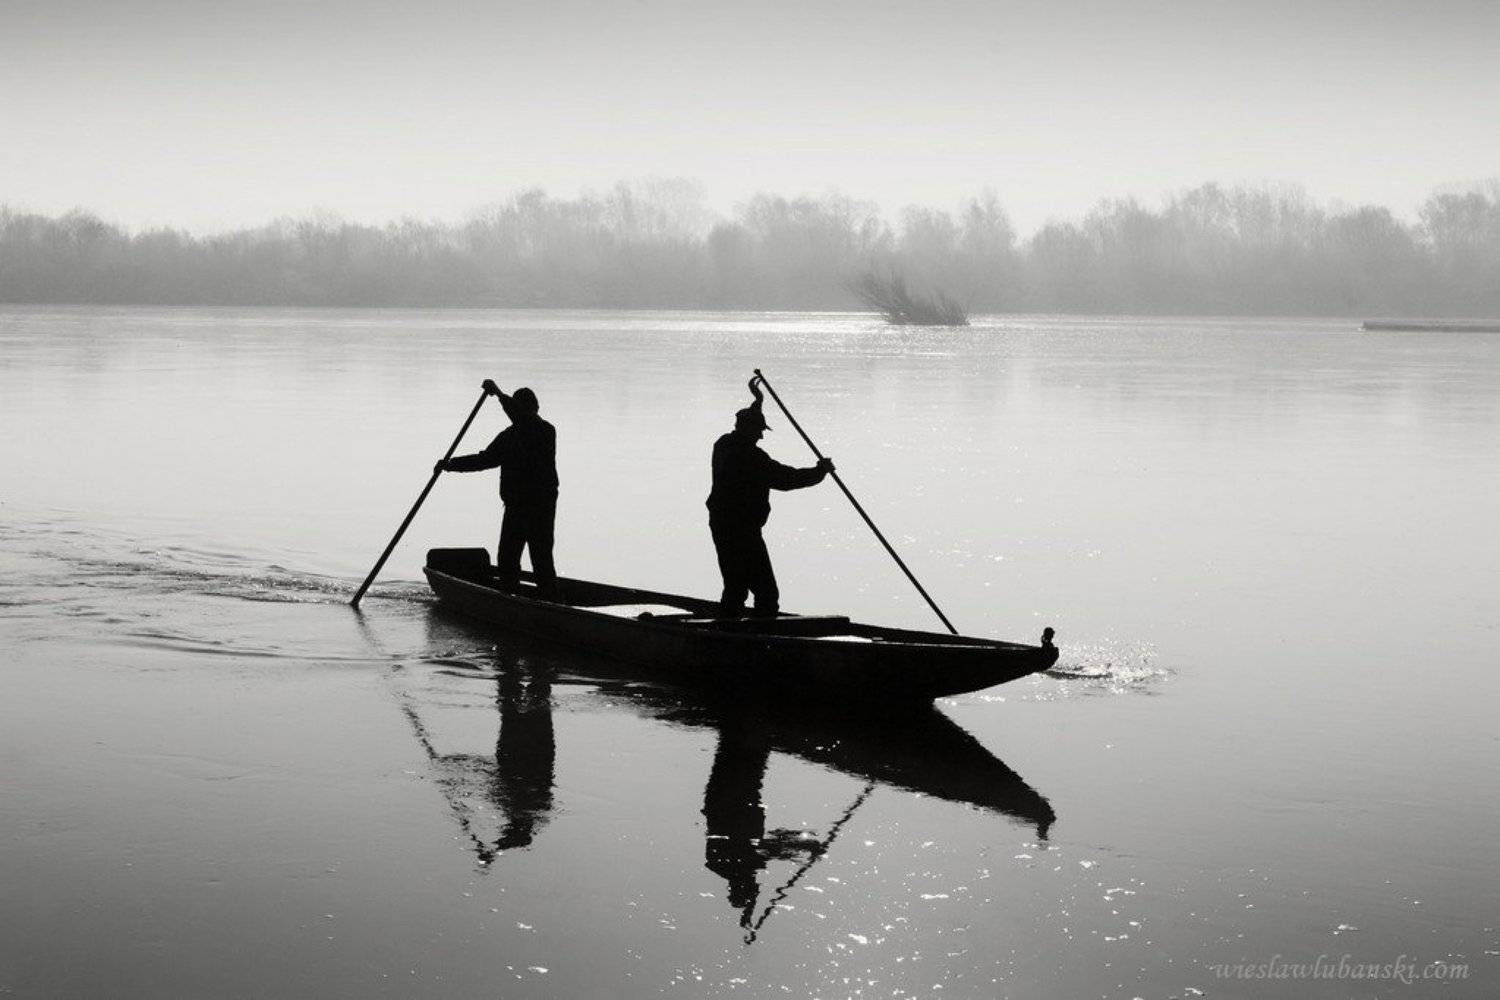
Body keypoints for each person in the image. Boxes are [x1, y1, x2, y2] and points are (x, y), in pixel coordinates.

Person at [706, 376, 834, 617]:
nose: (761, 436)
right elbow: (787, 479)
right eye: (759, 431)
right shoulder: (753, 459)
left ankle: (731, 633)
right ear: (749, 430)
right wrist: (820, 472)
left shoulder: (723, 445)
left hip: (724, 525)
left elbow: (746, 424)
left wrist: (759, 401)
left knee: (736, 586)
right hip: (741, 530)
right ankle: (758, 640)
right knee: (764, 592)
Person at [437, 379, 560, 599]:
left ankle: (548, 603)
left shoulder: (545, 431)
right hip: (516, 507)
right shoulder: (509, 437)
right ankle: (512, 600)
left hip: (539, 508)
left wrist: (499, 394)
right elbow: (483, 460)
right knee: (508, 560)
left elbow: (523, 420)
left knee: (540, 558)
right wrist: (450, 465)